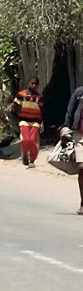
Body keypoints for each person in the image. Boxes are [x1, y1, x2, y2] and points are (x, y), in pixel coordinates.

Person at [10, 77, 44, 169]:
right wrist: (17, 118)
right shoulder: (22, 94)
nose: (34, 85)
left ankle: (32, 161)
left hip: (35, 122)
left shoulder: (39, 96)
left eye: (35, 84)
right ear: (28, 83)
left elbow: (42, 110)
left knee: (33, 141)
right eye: (32, 83)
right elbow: (15, 107)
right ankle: (25, 153)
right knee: (25, 139)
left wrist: (42, 123)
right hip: (24, 120)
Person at [62, 86, 83, 215]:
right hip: (79, 135)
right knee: (81, 168)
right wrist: (65, 127)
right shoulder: (79, 92)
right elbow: (70, 110)